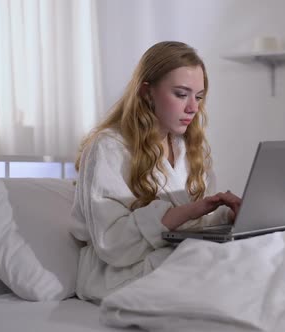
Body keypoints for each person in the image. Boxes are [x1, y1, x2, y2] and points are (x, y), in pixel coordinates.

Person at [71, 41, 242, 301]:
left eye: (198, 96)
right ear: (147, 92)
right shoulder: (108, 147)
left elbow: (199, 225)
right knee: (227, 270)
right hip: (117, 273)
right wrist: (187, 210)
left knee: (261, 253)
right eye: (181, 94)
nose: (193, 108)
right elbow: (112, 244)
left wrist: (227, 216)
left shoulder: (189, 147)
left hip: (177, 253)